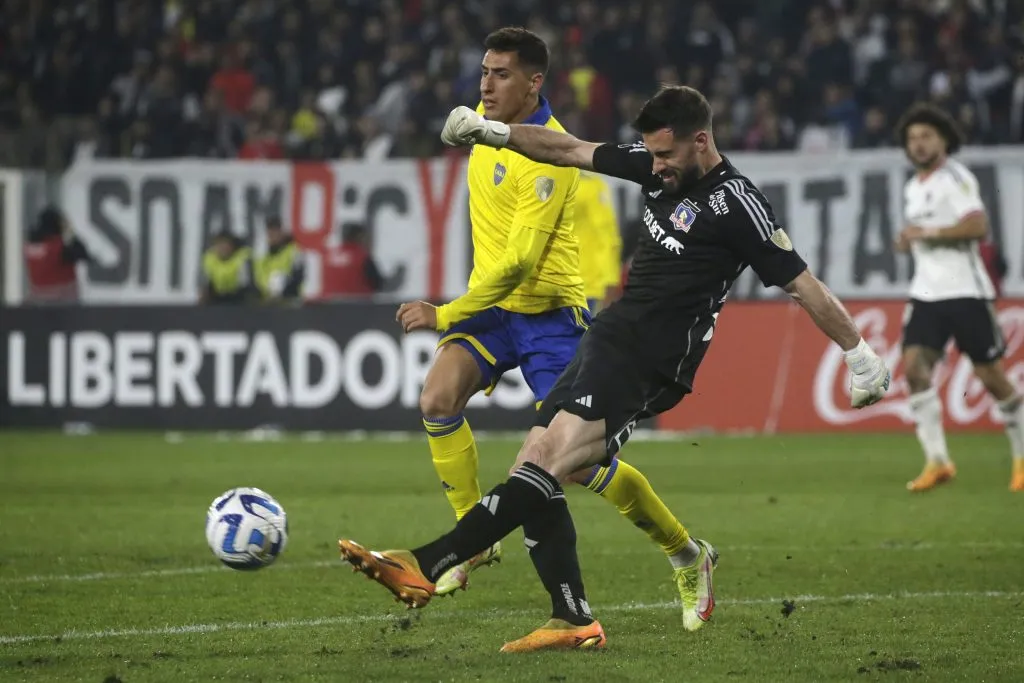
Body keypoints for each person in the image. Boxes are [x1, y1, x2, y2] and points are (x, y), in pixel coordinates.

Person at [338, 85, 891, 651]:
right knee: (537, 463)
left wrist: (859, 355)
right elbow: (567, 149)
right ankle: (578, 616)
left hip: (654, 363)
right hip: (610, 337)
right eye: (650, 154)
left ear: (701, 141)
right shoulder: (656, 169)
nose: (655, 167)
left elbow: (804, 286)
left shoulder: (738, 205)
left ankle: (427, 562)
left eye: (666, 155)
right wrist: (493, 133)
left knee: (549, 463)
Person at [392, 27, 696, 613]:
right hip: (495, 310)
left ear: (534, 83)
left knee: (583, 467)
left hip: (549, 316)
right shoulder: (482, 130)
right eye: (484, 70)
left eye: (501, 74)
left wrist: (446, 312)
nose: (486, 83)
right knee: (437, 398)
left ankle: (684, 551)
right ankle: (472, 541)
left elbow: (521, 263)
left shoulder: (548, 156)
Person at [893, 103, 1024, 493]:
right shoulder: (914, 185)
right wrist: (909, 240)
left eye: (926, 137)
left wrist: (925, 233)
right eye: (912, 138)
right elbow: (925, 232)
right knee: (915, 368)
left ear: (944, 140)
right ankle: (937, 460)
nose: (918, 144)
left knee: (991, 377)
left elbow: (977, 224)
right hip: (926, 294)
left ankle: (1021, 456)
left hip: (965, 291)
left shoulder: (955, 177)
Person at [574, 171, 622, 313]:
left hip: (585, 284)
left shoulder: (590, 186)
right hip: (551, 283)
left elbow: (608, 236)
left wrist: (610, 280)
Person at [23, 206, 92, 303]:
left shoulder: (30, 248)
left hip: (38, 304)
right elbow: (83, 254)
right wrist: (70, 232)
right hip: (63, 306)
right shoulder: (59, 249)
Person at [318, 225, 385, 300]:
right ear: (359, 236)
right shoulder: (361, 256)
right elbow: (377, 283)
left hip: (329, 305)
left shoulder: (328, 255)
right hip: (356, 306)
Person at [255, 216, 305, 304]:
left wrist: (283, 287)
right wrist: (268, 289)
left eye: (276, 231)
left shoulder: (293, 251)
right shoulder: (262, 254)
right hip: (267, 302)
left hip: (289, 300)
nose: (273, 235)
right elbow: (258, 277)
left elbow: (298, 276)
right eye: (270, 231)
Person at [200, 231, 253, 304]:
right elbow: (205, 285)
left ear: (232, 246)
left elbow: (246, 285)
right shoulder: (209, 260)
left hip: (238, 299)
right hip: (216, 299)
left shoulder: (242, 259)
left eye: (225, 244)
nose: (223, 248)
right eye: (219, 245)